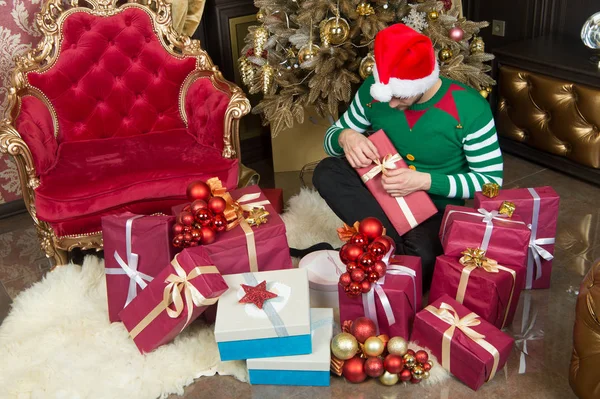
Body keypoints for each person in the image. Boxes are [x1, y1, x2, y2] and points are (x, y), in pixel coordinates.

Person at [312, 24, 503, 289]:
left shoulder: (470, 108)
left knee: (423, 261)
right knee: (326, 171)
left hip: (433, 206)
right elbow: (330, 140)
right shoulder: (373, 91)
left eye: (399, 96)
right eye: (386, 94)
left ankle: (380, 246)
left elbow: (490, 181)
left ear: (421, 83)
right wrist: (346, 136)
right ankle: (391, 249)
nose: (390, 104)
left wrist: (424, 181)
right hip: (378, 191)